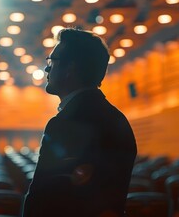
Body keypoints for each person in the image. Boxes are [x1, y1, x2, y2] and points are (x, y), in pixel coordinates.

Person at [22, 28, 137, 217]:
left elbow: (42, 199)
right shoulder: (118, 120)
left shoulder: (65, 124)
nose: (47, 68)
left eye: (53, 61)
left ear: (70, 69)